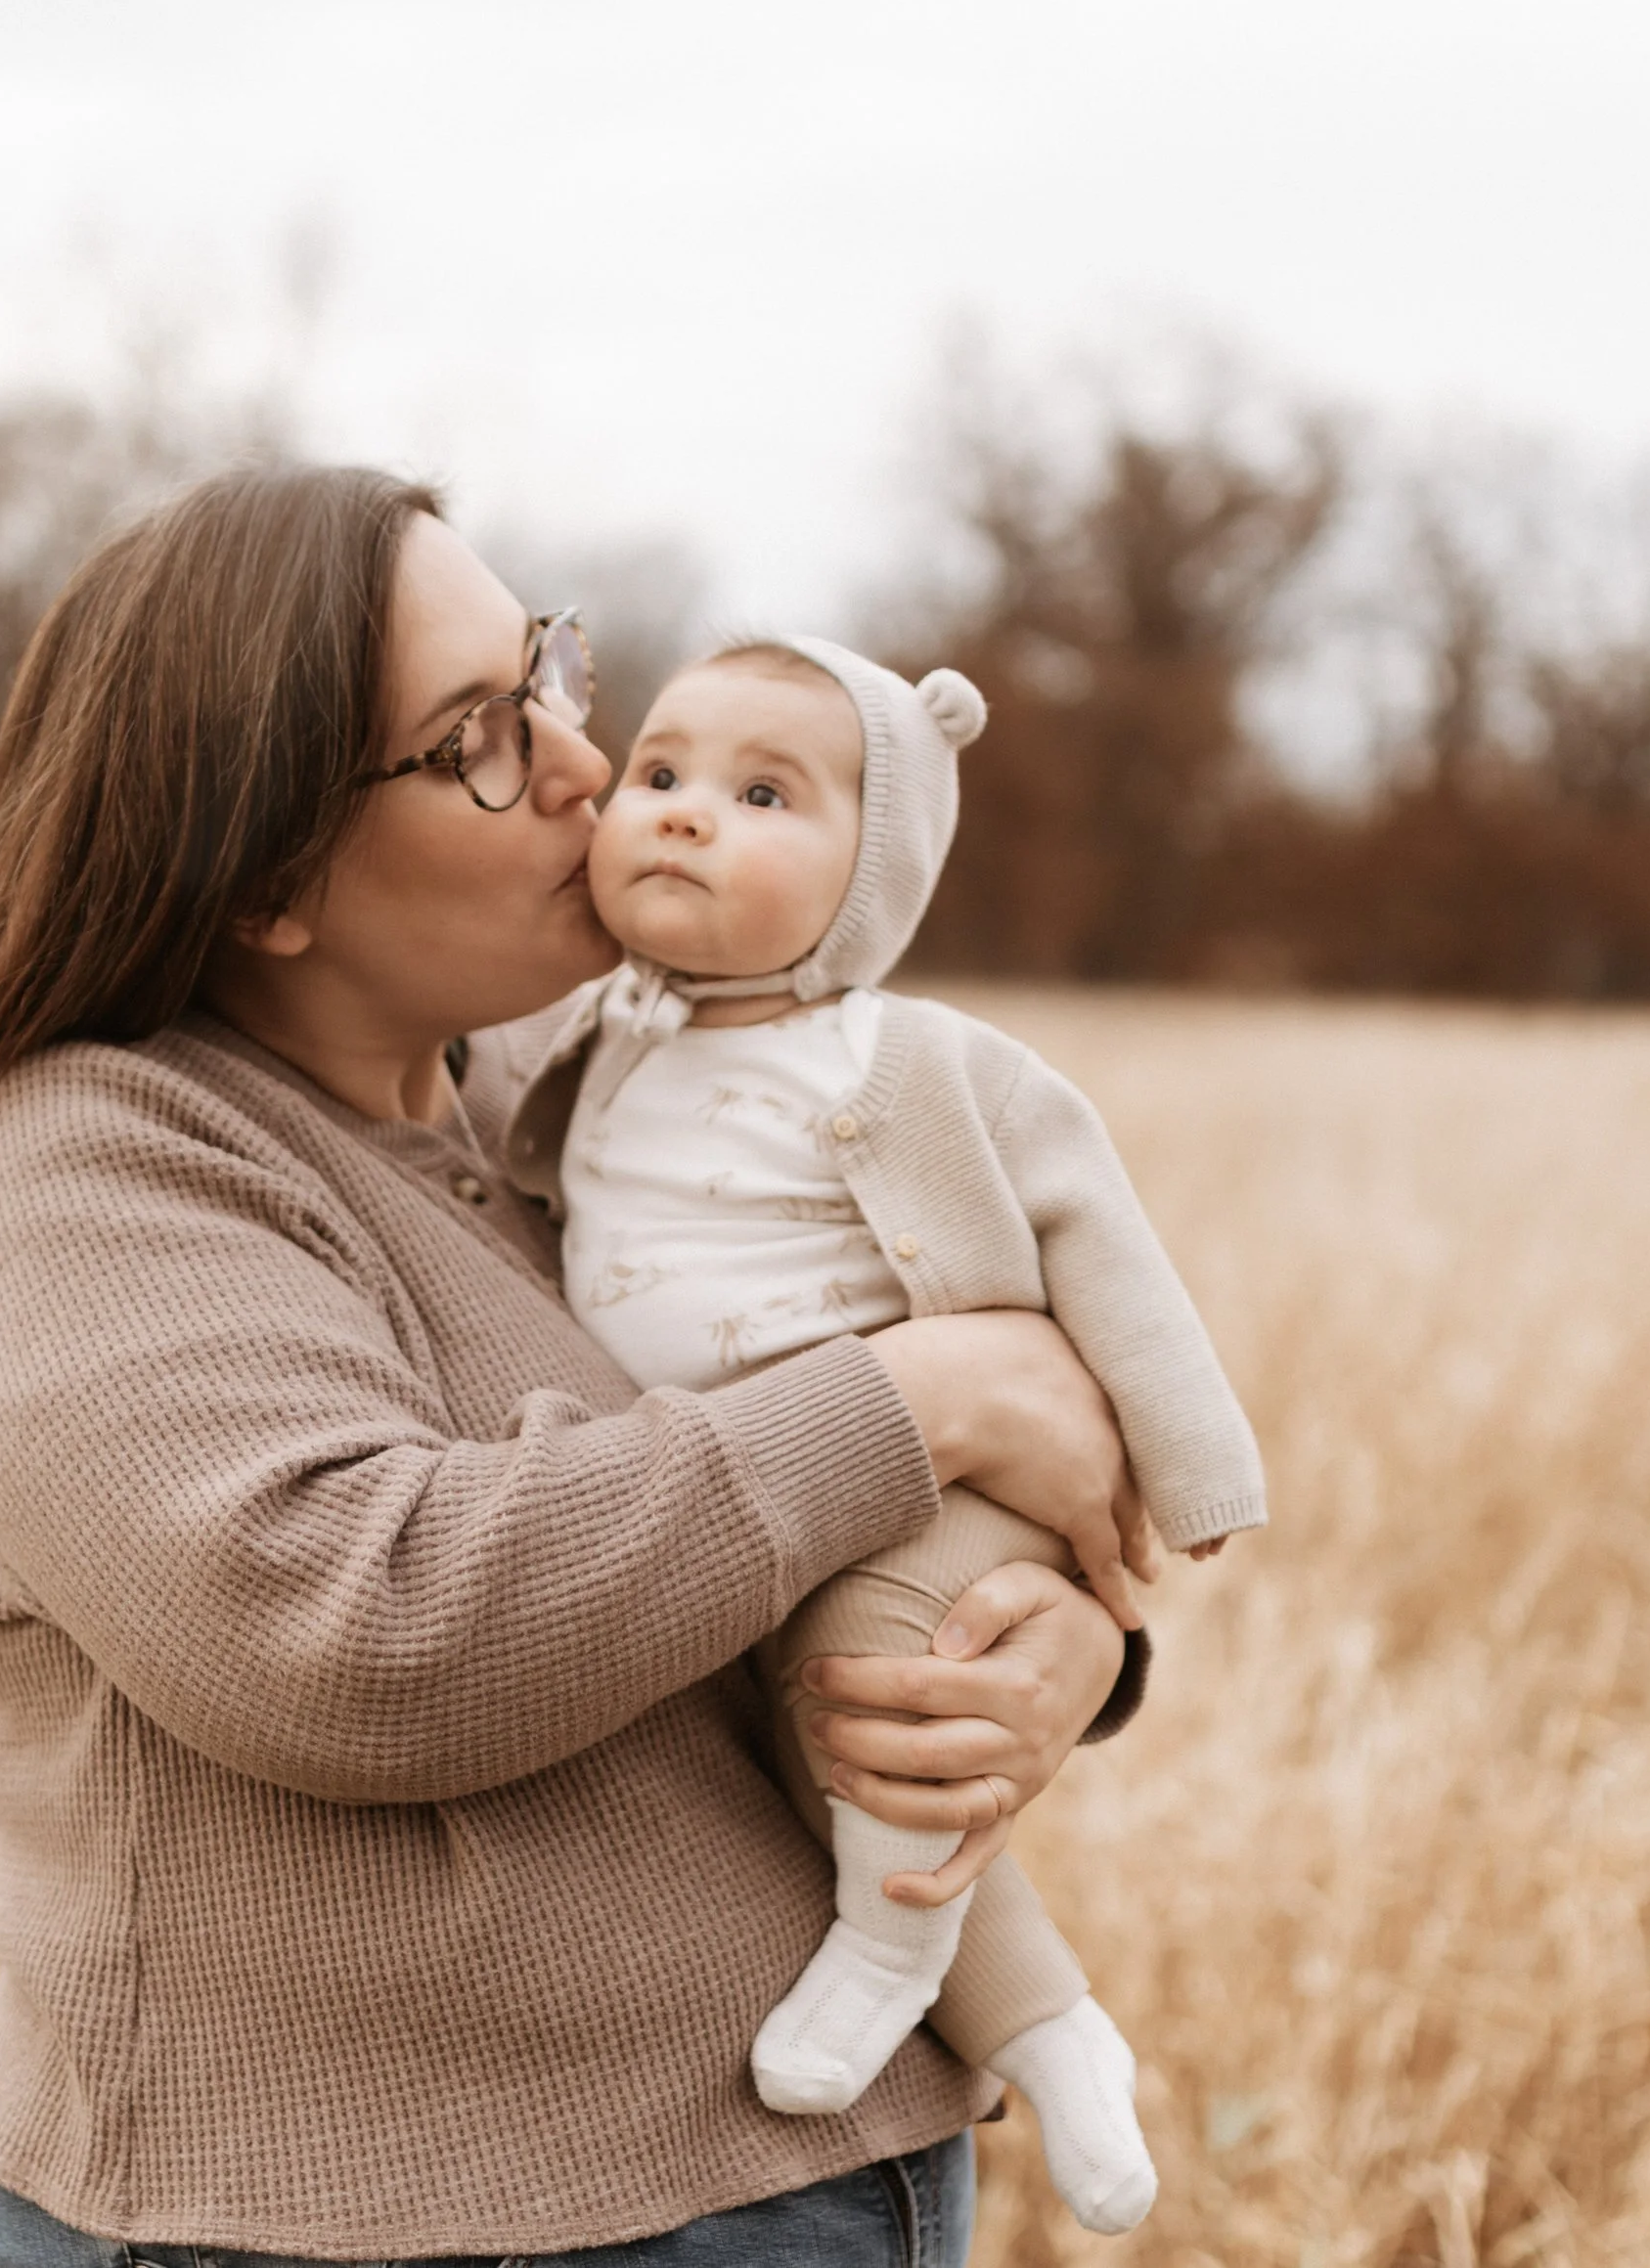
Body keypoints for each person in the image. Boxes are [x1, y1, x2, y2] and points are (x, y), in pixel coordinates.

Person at [0, 465, 1159, 2268]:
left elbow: (932, 1452)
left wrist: (1058, 1651)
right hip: (349, 2228)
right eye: (480, 736)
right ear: (265, 874)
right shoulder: (87, 1159)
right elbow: (362, 1636)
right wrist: (923, 1401)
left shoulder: (587, 1089)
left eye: (550, 670)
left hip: (816, 2173)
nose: (585, 761)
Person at [519, 638, 1267, 2235]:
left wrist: (1192, 1467)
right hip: (735, 1487)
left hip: (913, 1488)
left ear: (878, 869)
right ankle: (1052, 2033)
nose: (684, 816)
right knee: (822, 1754)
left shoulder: (906, 1057)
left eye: (763, 792)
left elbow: (1095, 1231)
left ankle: (888, 1954)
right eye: (657, 775)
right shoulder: (602, 1039)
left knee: (874, 1692)